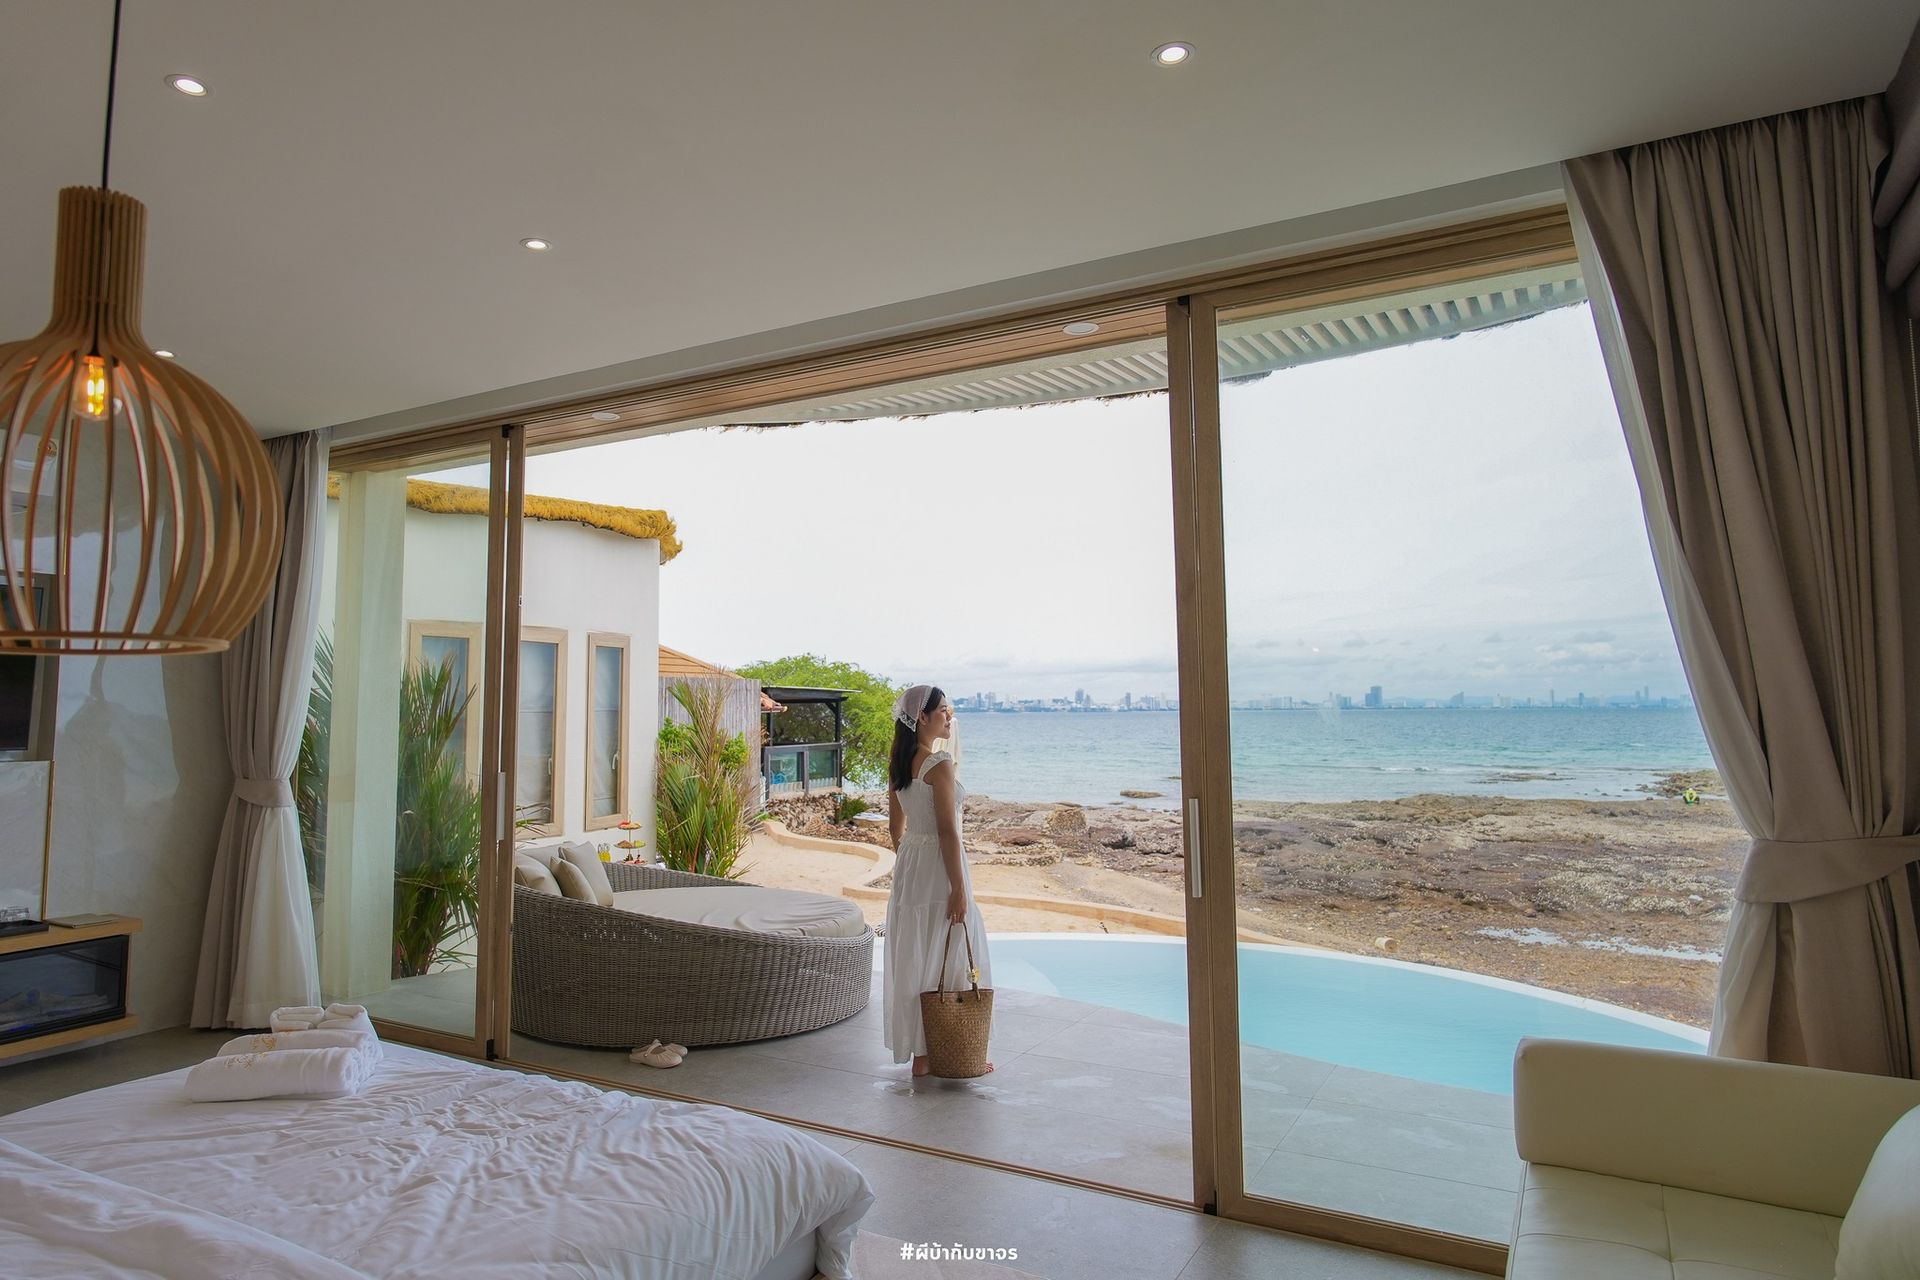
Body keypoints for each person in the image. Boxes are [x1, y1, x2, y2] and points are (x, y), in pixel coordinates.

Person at [884, 683, 993, 1076]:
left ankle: (923, 1055)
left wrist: (910, 857)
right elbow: (949, 831)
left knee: (918, 950)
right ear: (923, 718)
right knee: (950, 944)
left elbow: (896, 826)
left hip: (912, 865)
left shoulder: (900, 762)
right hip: (940, 865)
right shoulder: (938, 764)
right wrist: (959, 888)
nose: (950, 716)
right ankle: (954, 1049)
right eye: (944, 710)